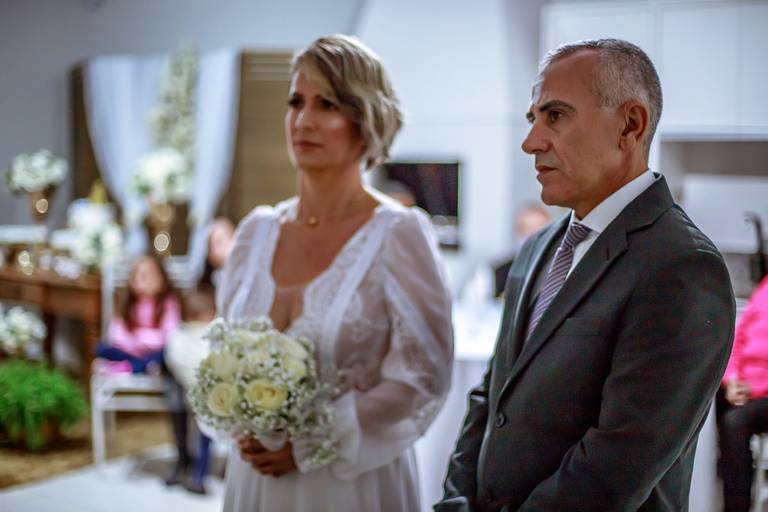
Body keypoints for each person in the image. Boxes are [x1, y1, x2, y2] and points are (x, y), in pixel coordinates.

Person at [436, 38, 735, 511]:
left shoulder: (681, 266)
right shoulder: (536, 248)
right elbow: (490, 398)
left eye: (555, 115)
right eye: (532, 119)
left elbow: (617, 465)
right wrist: (456, 502)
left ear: (629, 125)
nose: (530, 142)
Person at [213, 34, 453, 511]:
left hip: (350, 483)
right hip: (255, 481)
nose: (303, 120)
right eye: (296, 102)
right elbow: (224, 350)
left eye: (327, 104)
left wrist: (310, 441)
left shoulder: (398, 233)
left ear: (366, 119)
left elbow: (423, 376)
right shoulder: (256, 232)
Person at [717, 275, 768, 511]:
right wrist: (732, 379)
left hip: (760, 392)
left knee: (735, 422)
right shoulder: (765, 287)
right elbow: (737, 339)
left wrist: (754, 388)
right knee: (702, 397)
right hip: (745, 388)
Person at [163, 287, 217, 494]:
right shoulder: (213, 335)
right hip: (209, 396)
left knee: (191, 432)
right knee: (205, 436)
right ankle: (198, 475)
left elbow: (174, 360)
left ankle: (187, 466)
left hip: (186, 393)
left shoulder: (176, 337)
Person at [94, 254, 181, 374]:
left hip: (154, 353)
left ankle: (126, 367)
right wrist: (135, 343)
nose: (143, 280)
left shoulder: (168, 303)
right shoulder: (128, 303)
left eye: (149, 276)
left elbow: (170, 336)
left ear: (162, 280)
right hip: (129, 352)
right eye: (138, 276)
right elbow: (115, 334)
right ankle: (137, 367)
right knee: (101, 348)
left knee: (166, 355)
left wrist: (138, 337)